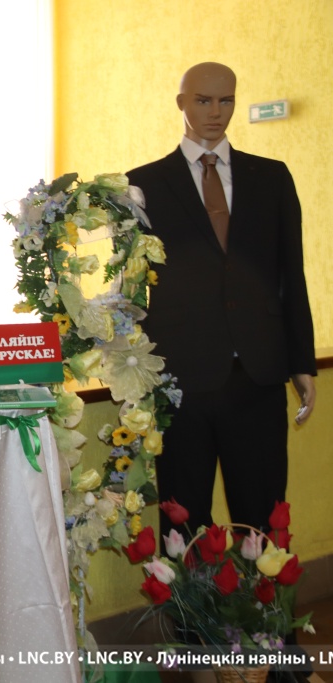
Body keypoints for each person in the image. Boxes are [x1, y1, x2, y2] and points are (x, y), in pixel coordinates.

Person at [127, 63, 316, 539]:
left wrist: (302, 363)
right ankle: (188, 594)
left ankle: (263, 591)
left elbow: (290, 274)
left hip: (258, 375)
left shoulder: (271, 178)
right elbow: (130, 287)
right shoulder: (142, 185)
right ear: (181, 103)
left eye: (226, 100)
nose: (216, 112)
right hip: (181, 379)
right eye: (203, 100)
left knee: (264, 520)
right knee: (183, 521)